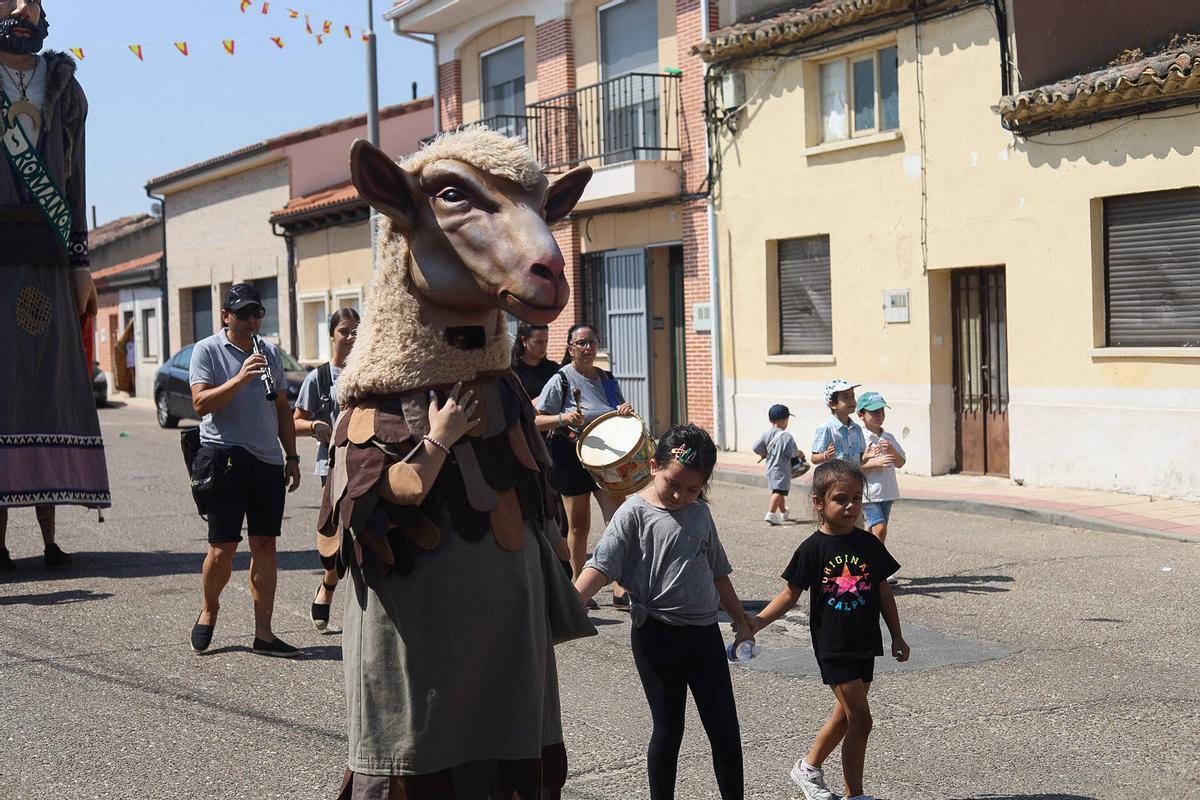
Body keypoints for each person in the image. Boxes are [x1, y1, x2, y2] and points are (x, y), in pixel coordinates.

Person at [576, 425, 752, 800]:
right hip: (657, 635)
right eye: (673, 483)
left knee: (724, 729)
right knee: (669, 729)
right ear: (653, 465)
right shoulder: (633, 513)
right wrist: (566, 605)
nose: (680, 495)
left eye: (692, 489)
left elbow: (718, 572)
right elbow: (602, 566)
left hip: (704, 634)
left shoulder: (700, 513)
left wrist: (740, 620)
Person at [0, 0, 111, 561]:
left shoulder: (65, 87)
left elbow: (77, 177)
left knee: (47, 391)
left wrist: (80, 262)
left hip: (48, 258)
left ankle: (49, 539)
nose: (22, 7)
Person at [734, 459, 910, 800]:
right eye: (841, 499)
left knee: (846, 717)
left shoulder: (869, 544)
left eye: (857, 499)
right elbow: (789, 596)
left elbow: (883, 592)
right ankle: (854, 794)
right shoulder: (812, 549)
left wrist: (897, 635)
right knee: (863, 719)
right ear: (819, 503)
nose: (851, 506)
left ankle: (808, 767)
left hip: (865, 642)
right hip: (833, 646)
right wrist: (754, 624)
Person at [188, 283, 302, 657]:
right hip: (224, 459)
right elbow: (201, 404)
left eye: (257, 313)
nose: (252, 320)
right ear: (227, 316)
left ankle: (264, 634)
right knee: (223, 549)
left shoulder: (268, 352)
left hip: (267, 461)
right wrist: (239, 379)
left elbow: (283, 410)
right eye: (244, 314)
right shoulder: (207, 350)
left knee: (265, 545)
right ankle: (209, 608)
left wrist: (292, 456)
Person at [534, 323, 635, 608]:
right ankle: (578, 586)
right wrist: (563, 419)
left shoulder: (607, 378)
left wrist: (625, 412)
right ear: (570, 349)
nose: (588, 348)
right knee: (578, 525)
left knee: (617, 522)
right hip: (570, 456)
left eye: (592, 342)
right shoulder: (561, 380)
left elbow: (619, 412)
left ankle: (620, 585)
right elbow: (536, 420)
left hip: (607, 459)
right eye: (581, 343)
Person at [293, 307, 359, 630]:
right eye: (344, 330)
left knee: (362, 533)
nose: (350, 337)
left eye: (355, 331)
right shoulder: (318, 378)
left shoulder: (367, 372)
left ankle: (349, 604)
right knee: (335, 535)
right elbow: (295, 422)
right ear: (332, 334)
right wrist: (315, 424)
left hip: (365, 461)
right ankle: (328, 588)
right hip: (331, 465)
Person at [856, 391, 906, 545]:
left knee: (873, 529)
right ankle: (878, 561)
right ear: (861, 415)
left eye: (882, 411)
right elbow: (855, 466)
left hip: (887, 492)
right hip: (869, 493)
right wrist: (876, 463)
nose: (879, 415)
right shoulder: (858, 437)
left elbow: (901, 462)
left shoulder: (888, 437)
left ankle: (864, 558)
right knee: (880, 528)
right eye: (873, 412)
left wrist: (891, 450)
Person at [753, 403, 804, 526]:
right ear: (784, 420)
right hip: (782, 469)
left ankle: (784, 511)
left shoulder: (766, 434)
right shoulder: (787, 437)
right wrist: (800, 453)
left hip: (770, 468)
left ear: (770, 419)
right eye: (787, 420)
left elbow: (756, 447)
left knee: (780, 490)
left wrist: (765, 453)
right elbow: (792, 453)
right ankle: (770, 514)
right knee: (778, 491)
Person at [811, 379, 865, 466]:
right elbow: (814, 458)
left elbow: (861, 456)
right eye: (845, 397)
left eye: (853, 396)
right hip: (834, 478)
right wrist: (826, 455)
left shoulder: (857, 429)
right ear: (833, 404)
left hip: (852, 477)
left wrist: (868, 455)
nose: (852, 400)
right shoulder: (826, 428)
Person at [511, 322, 559, 400]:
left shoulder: (553, 369)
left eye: (546, 341)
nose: (543, 346)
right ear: (524, 341)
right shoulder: (512, 371)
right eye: (538, 342)